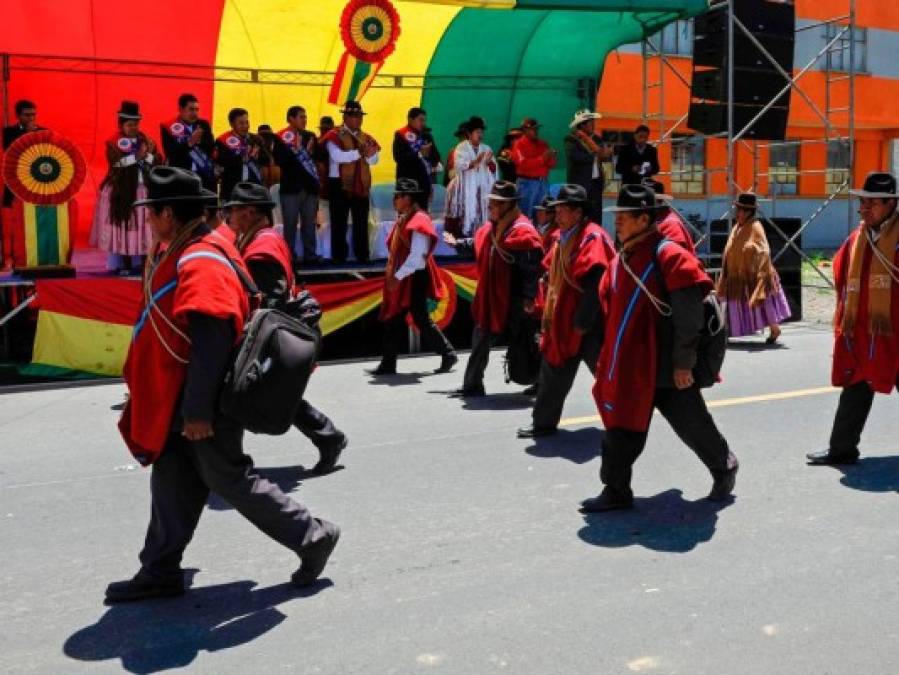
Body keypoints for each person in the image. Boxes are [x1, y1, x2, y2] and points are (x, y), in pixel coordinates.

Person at [105, 167, 338, 603]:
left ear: (169, 214)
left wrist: (197, 412)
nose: (149, 222)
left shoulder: (200, 259)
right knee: (173, 479)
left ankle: (312, 535)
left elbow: (211, 340)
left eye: (151, 213)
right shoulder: (190, 248)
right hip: (182, 397)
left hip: (202, 401)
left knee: (229, 478)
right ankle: (159, 569)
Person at [582, 184, 738, 512]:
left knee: (692, 424)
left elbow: (689, 315)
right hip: (630, 365)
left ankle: (724, 466)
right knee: (620, 425)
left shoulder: (669, 255)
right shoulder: (622, 257)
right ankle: (616, 490)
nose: (618, 222)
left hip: (666, 366)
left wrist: (683, 363)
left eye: (624, 216)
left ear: (643, 219)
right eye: (617, 216)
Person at [223, 181, 347, 473]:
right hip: (274, 329)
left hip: (273, 332)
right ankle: (328, 437)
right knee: (272, 392)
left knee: (249, 391)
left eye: (235, 210)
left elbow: (272, 299)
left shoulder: (262, 246)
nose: (230, 217)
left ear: (251, 212)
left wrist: (254, 341)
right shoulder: (259, 238)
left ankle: (229, 461)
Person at [807, 172, 899, 467]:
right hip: (864, 330)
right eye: (862, 203)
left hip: (895, 331)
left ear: (890, 204)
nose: (863, 209)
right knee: (856, 384)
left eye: (871, 203)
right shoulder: (859, 237)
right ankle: (842, 448)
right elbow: (840, 269)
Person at [518, 184, 614, 438]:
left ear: (578, 212)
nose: (556, 215)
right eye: (556, 210)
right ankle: (543, 423)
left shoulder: (592, 238)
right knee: (553, 370)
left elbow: (595, 282)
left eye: (562, 210)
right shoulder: (565, 236)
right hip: (563, 319)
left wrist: (582, 323)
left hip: (590, 323)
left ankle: (623, 422)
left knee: (606, 375)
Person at [443, 181, 543, 397]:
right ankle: (472, 384)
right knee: (481, 336)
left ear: (509, 206)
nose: (490, 208)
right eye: (491, 204)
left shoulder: (523, 232)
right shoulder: (490, 228)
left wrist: (528, 297)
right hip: (492, 298)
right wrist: (458, 243)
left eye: (495, 204)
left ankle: (542, 383)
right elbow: (477, 243)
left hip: (516, 300)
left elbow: (530, 268)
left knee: (528, 342)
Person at [367, 178, 457, 376]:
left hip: (415, 275)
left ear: (408, 198)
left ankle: (447, 353)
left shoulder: (419, 220)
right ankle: (389, 363)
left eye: (397, 196)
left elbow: (417, 258)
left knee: (419, 318)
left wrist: (397, 277)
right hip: (407, 274)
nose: (394, 200)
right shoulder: (406, 217)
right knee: (395, 318)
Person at [90, 100, 159, 276]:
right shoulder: (113, 142)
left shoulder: (146, 140)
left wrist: (148, 156)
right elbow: (117, 163)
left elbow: (157, 161)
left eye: (136, 124)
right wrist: (138, 156)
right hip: (122, 192)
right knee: (124, 228)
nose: (134, 127)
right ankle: (124, 263)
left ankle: (144, 263)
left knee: (145, 228)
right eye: (130, 125)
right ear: (121, 125)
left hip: (143, 189)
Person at [717, 193, 791, 343]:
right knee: (744, 304)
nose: (736, 213)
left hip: (757, 275)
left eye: (739, 210)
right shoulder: (738, 227)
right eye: (736, 209)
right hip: (740, 275)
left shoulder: (755, 227)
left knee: (764, 303)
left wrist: (762, 276)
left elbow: (764, 250)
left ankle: (775, 329)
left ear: (748, 212)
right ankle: (728, 332)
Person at [321, 100, 380, 263]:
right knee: (339, 224)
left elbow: (374, 160)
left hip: (361, 184)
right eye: (355, 116)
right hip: (339, 185)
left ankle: (363, 256)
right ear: (345, 117)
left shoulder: (366, 137)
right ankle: (339, 258)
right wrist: (361, 153)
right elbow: (338, 157)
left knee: (362, 222)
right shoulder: (334, 135)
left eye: (360, 116)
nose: (359, 119)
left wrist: (370, 154)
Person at [273, 106, 322, 264]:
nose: (304, 120)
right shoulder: (280, 137)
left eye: (305, 117)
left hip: (309, 187)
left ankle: (311, 255)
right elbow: (279, 160)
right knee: (290, 225)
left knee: (309, 224)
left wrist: (308, 151)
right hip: (290, 188)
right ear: (291, 119)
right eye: (301, 117)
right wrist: (295, 149)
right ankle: (289, 256)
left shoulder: (310, 136)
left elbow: (319, 157)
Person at [2, 99, 44, 271]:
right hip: (14, 185)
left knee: (35, 222)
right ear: (18, 116)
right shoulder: (7, 133)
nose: (31, 118)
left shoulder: (43, 132)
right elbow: (10, 151)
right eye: (27, 115)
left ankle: (34, 257)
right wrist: (27, 134)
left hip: (36, 186)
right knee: (11, 225)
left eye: (33, 114)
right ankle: (9, 259)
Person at [445, 116, 496, 237]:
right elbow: (459, 166)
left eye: (481, 132)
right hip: (463, 189)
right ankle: (462, 241)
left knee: (481, 213)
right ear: (469, 133)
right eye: (478, 132)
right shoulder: (461, 147)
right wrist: (475, 162)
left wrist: (489, 163)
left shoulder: (486, 148)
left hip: (481, 189)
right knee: (463, 214)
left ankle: (478, 238)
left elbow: (494, 170)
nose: (481, 135)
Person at [160, 93, 216, 193]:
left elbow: (211, 147)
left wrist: (198, 141)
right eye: (191, 109)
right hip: (181, 176)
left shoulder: (203, 124)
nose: (195, 113)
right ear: (181, 109)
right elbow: (170, 152)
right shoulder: (168, 127)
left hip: (204, 176)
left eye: (196, 109)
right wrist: (189, 143)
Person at [564, 110, 612, 221]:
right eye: (589, 122)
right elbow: (575, 156)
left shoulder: (598, 139)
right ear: (582, 125)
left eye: (591, 121)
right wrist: (597, 155)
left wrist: (610, 184)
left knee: (595, 215)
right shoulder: (572, 139)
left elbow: (606, 160)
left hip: (596, 183)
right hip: (580, 183)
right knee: (579, 214)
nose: (592, 124)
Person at [214, 107, 270, 201]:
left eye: (247, 122)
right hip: (232, 189)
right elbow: (222, 161)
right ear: (231, 124)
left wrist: (257, 156)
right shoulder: (222, 141)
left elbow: (267, 160)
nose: (245, 126)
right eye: (241, 123)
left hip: (254, 188)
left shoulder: (256, 139)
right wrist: (243, 158)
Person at [393, 107, 441, 210]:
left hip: (423, 183)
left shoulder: (426, 136)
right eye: (420, 120)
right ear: (410, 120)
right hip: (406, 183)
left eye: (424, 120)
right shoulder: (400, 134)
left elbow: (436, 157)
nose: (423, 123)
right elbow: (399, 157)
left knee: (422, 216)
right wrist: (419, 154)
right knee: (406, 217)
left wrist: (428, 155)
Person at [511, 117, 556, 220]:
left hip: (542, 183)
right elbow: (522, 164)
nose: (535, 131)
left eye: (536, 129)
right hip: (526, 183)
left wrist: (551, 156)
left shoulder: (543, 144)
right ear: (525, 130)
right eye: (532, 129)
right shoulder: (519, 144)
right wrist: (542, 159)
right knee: (525, 215)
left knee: (542, 215)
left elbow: (552, 164)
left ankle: (538, 235)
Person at [645, 180, 696, 255]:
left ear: (658, 201)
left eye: (646, 201)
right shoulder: (651, 220)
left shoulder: (671, 224)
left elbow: (676, 257)